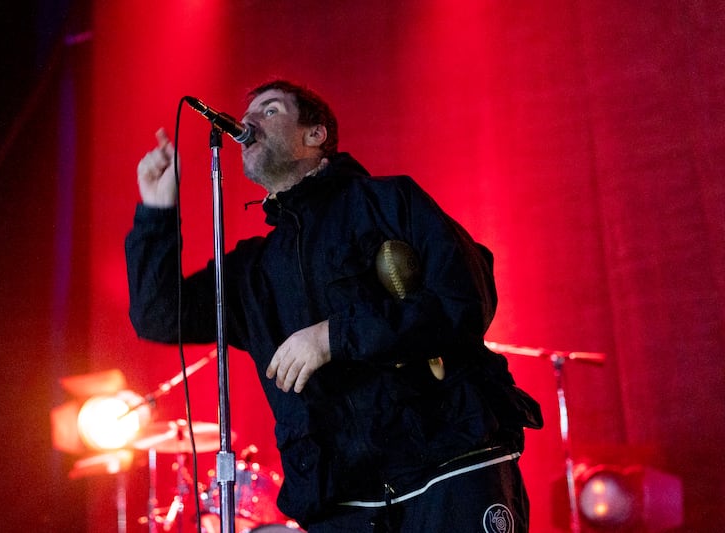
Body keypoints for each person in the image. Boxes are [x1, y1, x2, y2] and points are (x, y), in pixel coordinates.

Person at [126, 80, 543, 532]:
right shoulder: (254, 268)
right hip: (343, 501)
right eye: (248, 115)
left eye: (269, 110)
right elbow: (160, 315)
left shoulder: (388, 202)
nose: (246, 123)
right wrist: (156, 211)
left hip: (449, 470)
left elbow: (464, 300)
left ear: (315, 135)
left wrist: (332, 336)